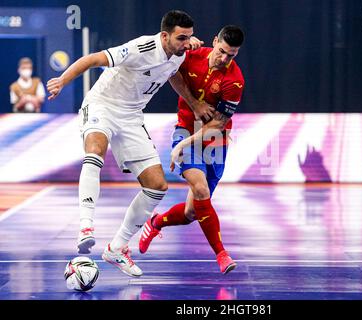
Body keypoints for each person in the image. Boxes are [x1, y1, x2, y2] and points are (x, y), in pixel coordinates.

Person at [46, 10, 208, 277]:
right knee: (95, 151)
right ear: (164, 35)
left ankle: (117, 248)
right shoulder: (141, 47)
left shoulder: (179, 53)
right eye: (182, 38)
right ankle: (86, 225)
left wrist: (195, 103)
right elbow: (93, 59)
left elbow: (174, 75)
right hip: (102, 105)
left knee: (157, 186)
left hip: (132, 117)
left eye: (189, 37)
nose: (187, 43)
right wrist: (63, 80)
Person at [139, 25, 245, 274]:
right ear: (215, 40)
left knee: (191, 212)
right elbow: (172, 73)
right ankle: (222, 254)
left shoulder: (235, 80)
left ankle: (155, 222)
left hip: (214, 139)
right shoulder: (192, 54)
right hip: (184, 129)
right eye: (221, 51)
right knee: (200, 188)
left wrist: (181, 148)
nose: (224, 59)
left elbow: (217, 124)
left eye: (232, 55)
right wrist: (194, 104)